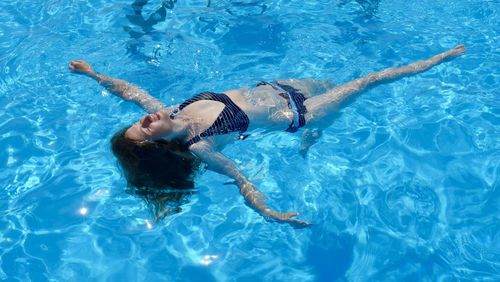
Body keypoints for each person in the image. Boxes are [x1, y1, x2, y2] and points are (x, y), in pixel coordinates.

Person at [69, 44, 466, 227]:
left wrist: (94, 74)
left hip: (281, 85)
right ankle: (440, 60)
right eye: (145, 127)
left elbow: (130, 91)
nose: (148, 117)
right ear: (161, 146)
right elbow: (240, 177)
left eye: (141, 122)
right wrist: (267, 212)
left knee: (329, 89)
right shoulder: (201, 145)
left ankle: (312, 142)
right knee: (370, 81)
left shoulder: (169, 112)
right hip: (298, 112)